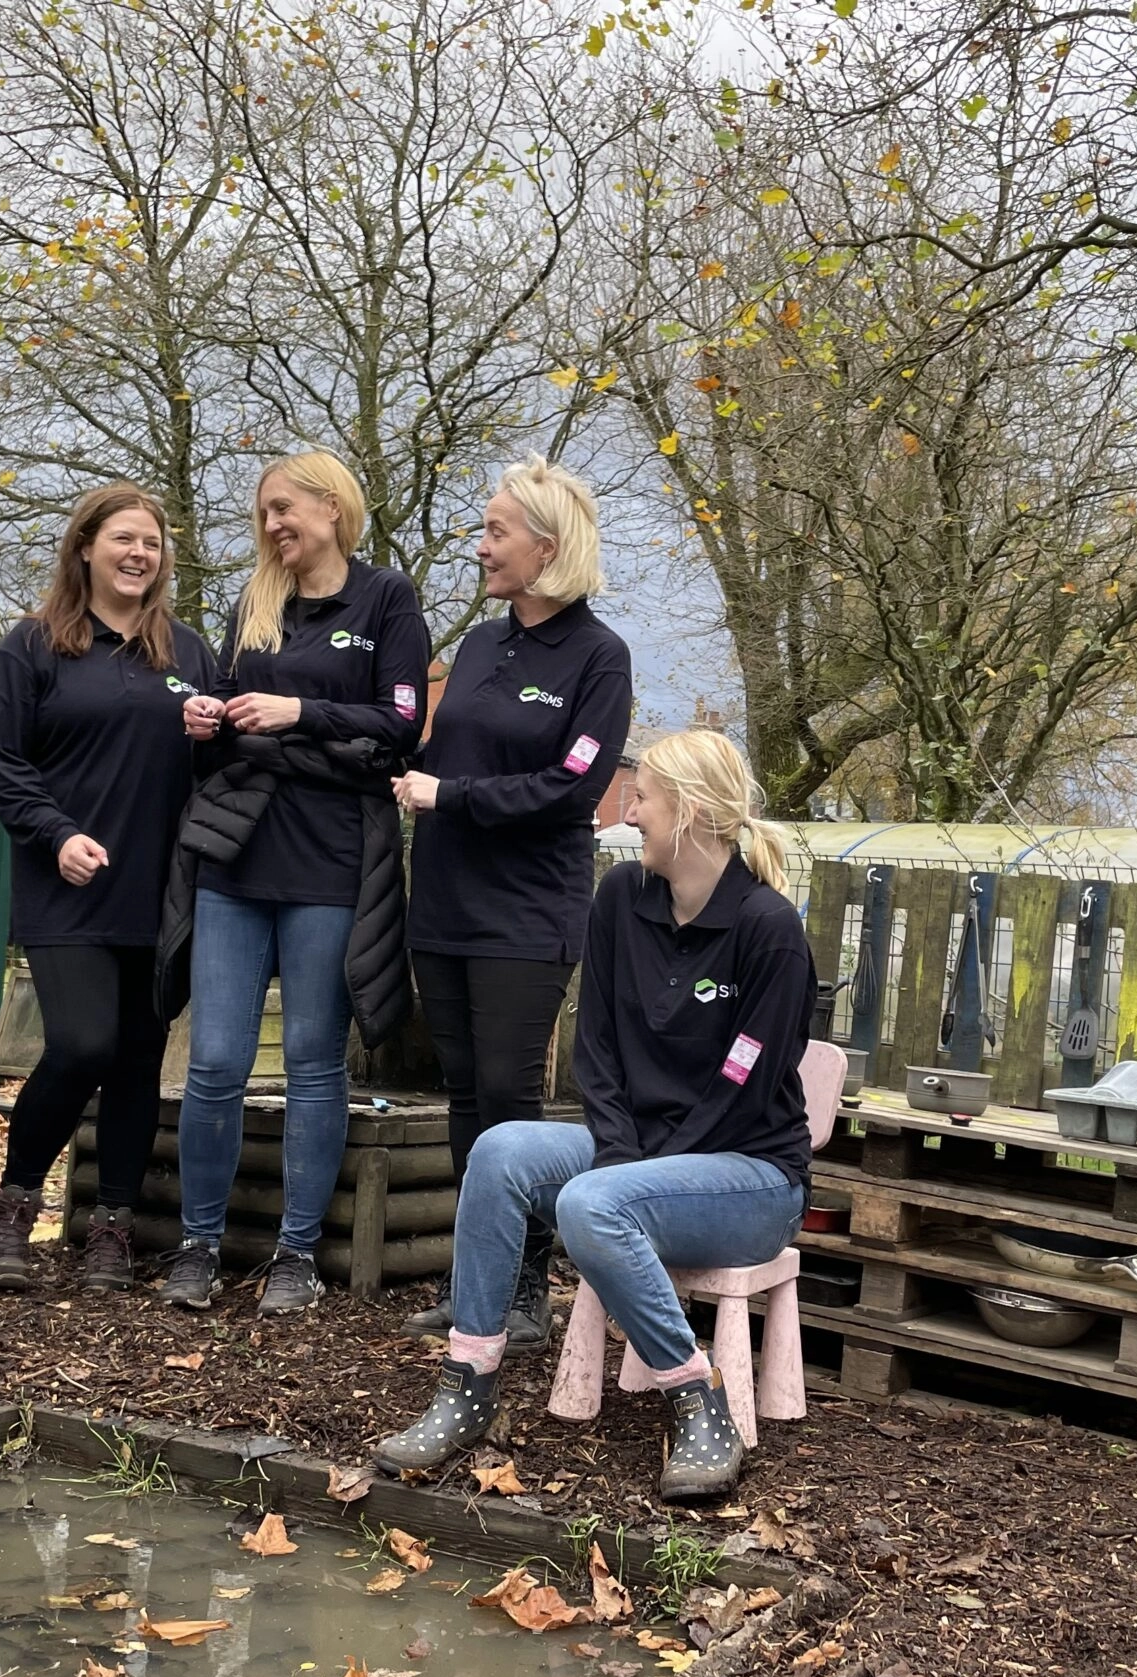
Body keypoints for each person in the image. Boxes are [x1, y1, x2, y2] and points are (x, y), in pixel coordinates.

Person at [374, 730, 812, 1502]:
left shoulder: (767, 928)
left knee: (591, 1201)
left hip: (748, 1176)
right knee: (501, 1149)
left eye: (642, 797)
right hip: (635, 1155)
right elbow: (597, 1049)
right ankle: (467, 1384)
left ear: (695, 811)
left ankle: (697, 1401)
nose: (629, 811)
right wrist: (621, 1152)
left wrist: (633, 1172)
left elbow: (745, 1083)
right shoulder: (619, 899)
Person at [153, 452, 430, 1316]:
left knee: (315, 1066)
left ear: (331, 505)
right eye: (265, 513)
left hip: (332, 864)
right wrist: (208, 718)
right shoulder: (253, 602)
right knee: (217, 1063)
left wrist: (298, 713)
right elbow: (235, 717)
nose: (275, 525)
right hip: (238, 858)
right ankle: (198, 1243)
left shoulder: (388, 600)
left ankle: (297, 1255)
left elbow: (400, 729)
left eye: (287, 508)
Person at [393, 458, 632, 1353]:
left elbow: (571, 789)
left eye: (496, 531)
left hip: (526, 915)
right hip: (445, 903)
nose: (480, 544)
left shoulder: (599, 656)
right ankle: (475, 1284)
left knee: (508, 1097)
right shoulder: (485, 646)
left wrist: (448, 796)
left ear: (549, 544)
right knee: (462, 1095)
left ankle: (527, 1289)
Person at [0, 484, 222, 1295]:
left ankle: (111, 1228)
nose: (139, 554)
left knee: (140, 1061)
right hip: (69, 884)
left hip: (163, 893)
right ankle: (11, 1205)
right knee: (82, 1045)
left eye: (152, 542)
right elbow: (1, 761)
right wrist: (55, 833)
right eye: (124, 538)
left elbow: (221, 773)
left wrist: (210, 739)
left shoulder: (187, 651)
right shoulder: (35, 647)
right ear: (85, 547)